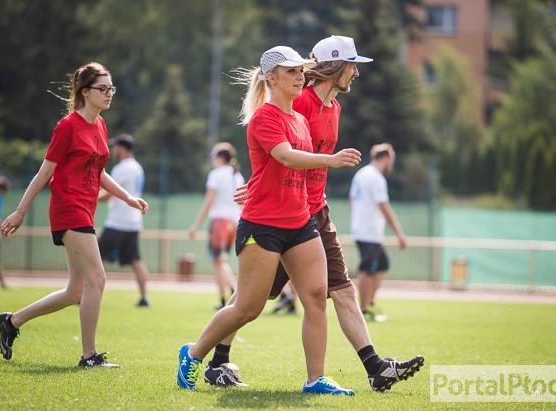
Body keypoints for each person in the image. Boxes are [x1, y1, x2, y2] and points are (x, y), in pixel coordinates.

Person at [204, 36, 424, 392]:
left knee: (341, 289)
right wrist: (259, 186)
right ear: (334, 66)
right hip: (284, 214)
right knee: (250, 300)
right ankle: (214, 359)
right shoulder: (300, 100)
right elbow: (279, 151)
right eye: (352, 65)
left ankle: (374, 367)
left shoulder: (335, 108)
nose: (355, 72)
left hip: (314, 211)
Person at [176, 45, 362, 395]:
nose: (299, 76)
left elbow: (284, 168)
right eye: (291, 72)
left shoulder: (301, 119)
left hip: (300, 223)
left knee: (317, 295)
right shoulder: (264, 116)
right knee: (248, 307)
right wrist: (330, 160)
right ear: (271, 78)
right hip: (262, 225)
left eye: (300, 71)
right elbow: (286, 157)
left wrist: (262, 183)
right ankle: (193, 352)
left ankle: (315, 379)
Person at [0, 62, 149, 368]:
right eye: (102, 89)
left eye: (111, 88)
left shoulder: (101, 125)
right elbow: (44, 174)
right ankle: (88, 356)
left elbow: (100, 171)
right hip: (69, 209)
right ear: (84, 92)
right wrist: (20, 211)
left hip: (86, 210)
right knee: (98, 278)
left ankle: (12, 322)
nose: (109, 94)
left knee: (74, 291)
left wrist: (127, 197)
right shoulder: (67, 127)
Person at [349, 143, 407, 322]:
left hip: (363, 229)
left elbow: (351, 200)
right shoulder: (376, 178)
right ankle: (363, 310)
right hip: (369, 232)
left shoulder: (361, 174)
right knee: (367, 268)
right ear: (386, 158)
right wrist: (399, 233)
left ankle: (369, 304)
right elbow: (384, 207)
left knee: (382, 265)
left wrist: (357, 220)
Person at [189, 142, 244, 310]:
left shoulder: (216, 174)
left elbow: (209, 202)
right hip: (234, 221)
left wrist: (196, 225)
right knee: (221, 260)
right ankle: (231, 289)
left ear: (220, 157)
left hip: (219, 221)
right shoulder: (237, 175)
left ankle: (224, 297)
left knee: (217, 261)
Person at [98, 133, 150, 307]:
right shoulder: (137, 167)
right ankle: (144, 297)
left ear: (122, 148)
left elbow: (109, 192)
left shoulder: (123, 168)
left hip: (118, 221)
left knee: (94, 256)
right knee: (135, 260)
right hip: (133, 221)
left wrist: (90, 197)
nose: (113, 149)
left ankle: (82, 294)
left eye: (115, 146)